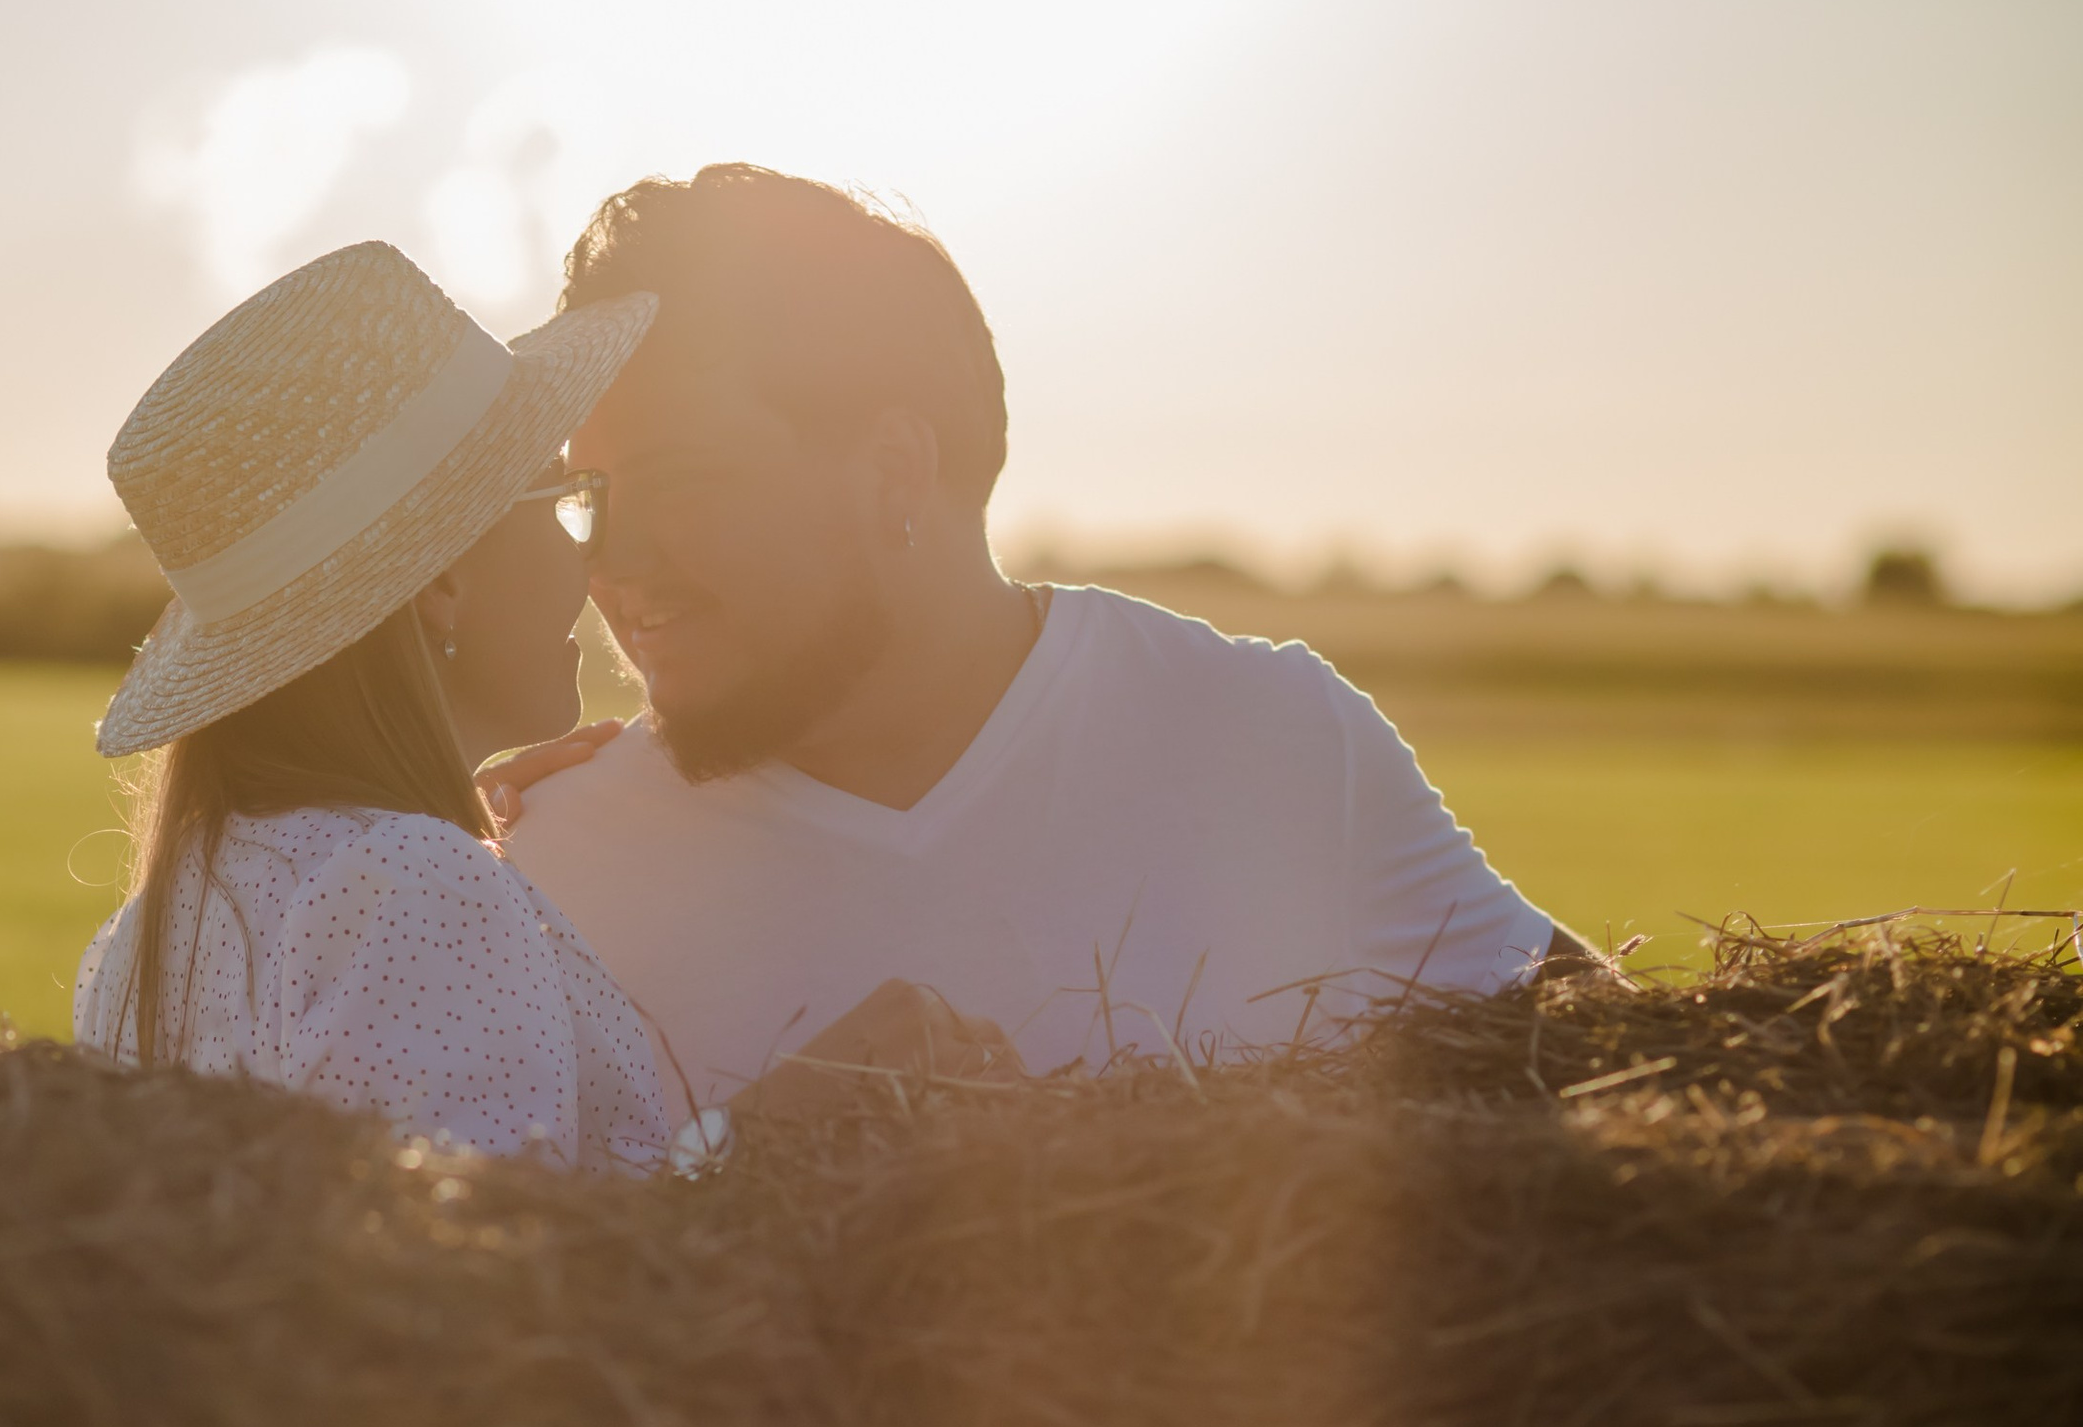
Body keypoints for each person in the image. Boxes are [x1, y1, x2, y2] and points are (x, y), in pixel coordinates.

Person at [495, 165, 1585, 1123]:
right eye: (592, 494)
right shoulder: (545, 878)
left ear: (891, 471)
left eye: (683, 479)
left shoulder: (1273, 741)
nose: (610, 562)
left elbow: (1618, 1080)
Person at [74, 239, 1005, 1159]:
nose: (593, 556)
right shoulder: (415, 889)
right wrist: (771, 1127)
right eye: (560, 497)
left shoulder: (145, 937)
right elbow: (489, 1273)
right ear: (443, 585)